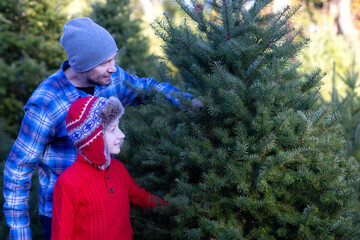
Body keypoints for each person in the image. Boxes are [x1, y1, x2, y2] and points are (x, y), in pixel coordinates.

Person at [3, 17, 201, 240]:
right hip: (65, 214)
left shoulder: (111, 79)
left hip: (109, 204)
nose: (113, 68)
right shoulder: (47, 103)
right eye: (105, 62)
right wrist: (20, 234)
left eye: (113, 59)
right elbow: (17, 171)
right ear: (83, 65)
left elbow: (146, 88)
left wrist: (185, 100)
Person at [51, 96, 167, 240]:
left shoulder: (118, 168)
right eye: (113, 129)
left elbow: (140, 198)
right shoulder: (69, 182)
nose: (121, 135)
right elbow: (61, 235)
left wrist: (173, 207)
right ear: (92, 139)